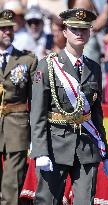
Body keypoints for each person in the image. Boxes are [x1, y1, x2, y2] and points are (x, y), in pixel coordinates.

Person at [31, 8, 108, 205]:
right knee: (47, 201)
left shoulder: (94, 67)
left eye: (84, 29)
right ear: (65, 31)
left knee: (85, 201)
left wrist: (106, 154)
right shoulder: (47, 66)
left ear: (90, 32)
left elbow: (96, 114)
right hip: (55, 146)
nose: (79, 33)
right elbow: (38, 114)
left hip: (86, 147)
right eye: (74, 29)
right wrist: (40, 151)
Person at [0, 9, 38, 205]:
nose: (7, 32)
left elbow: (37, 98)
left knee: (12, 180)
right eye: (2, 28)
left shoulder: (27, 60)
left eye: (10, 28)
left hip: (17, 123)